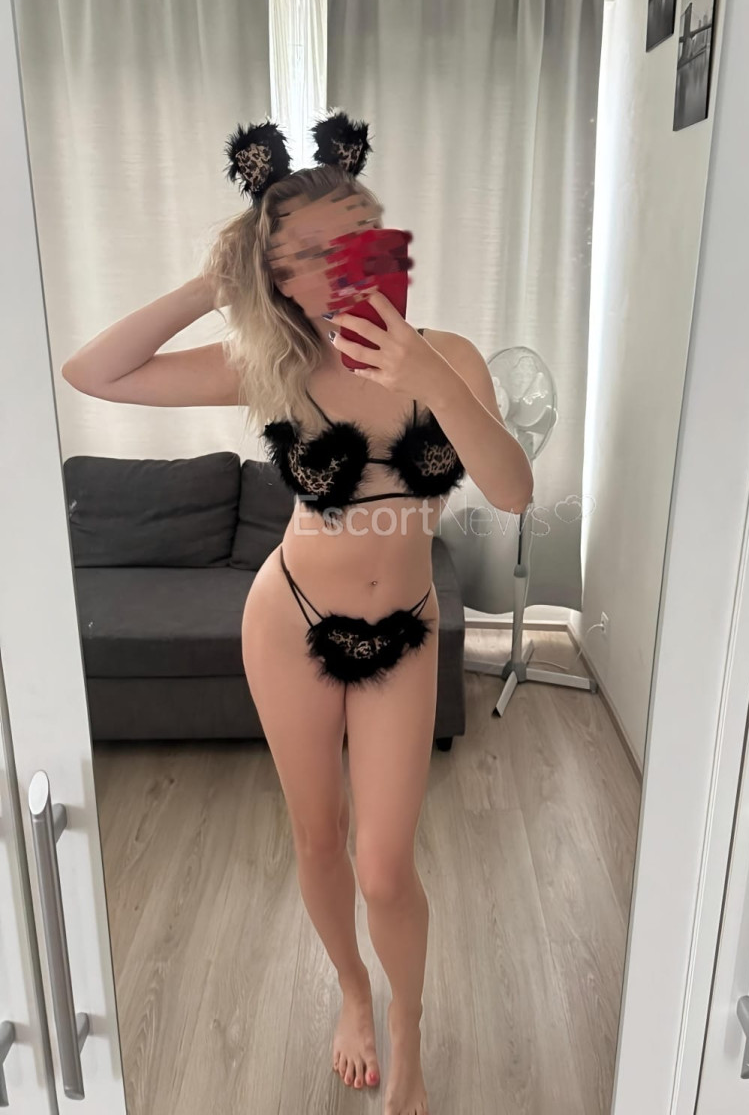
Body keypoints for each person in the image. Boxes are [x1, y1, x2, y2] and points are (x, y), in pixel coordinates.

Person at [61, 110, 534, 1115]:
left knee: (384, 868)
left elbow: (512, 490)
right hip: (290, 617)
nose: (340, 266)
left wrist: (426, 376)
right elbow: (93, 372)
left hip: (403, 628)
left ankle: (407, 1025)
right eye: (308, 255)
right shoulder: (266, 363)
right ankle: (353, 994)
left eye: (355, 236)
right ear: (277, 276)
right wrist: (213, 281)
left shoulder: (447, 355)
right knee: (317, 840)